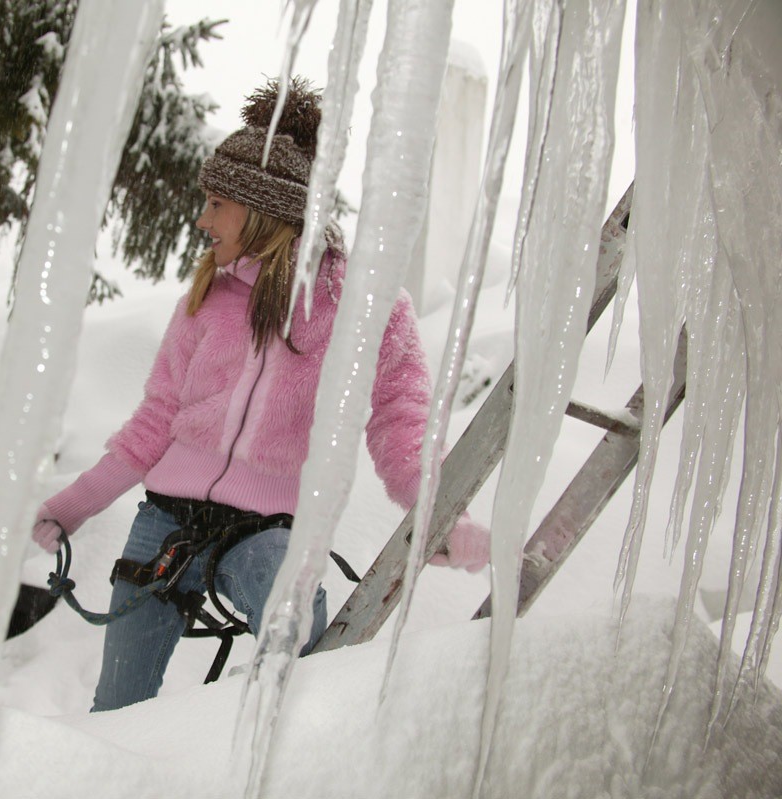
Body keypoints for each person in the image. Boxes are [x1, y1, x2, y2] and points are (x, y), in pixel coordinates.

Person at [30, 80, 490, 713]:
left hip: (268, 533)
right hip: (164, 525)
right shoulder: (205, 299)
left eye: (217, 203)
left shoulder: (364, 305)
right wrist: (72, 505)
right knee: (117, 708)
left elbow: (399, 419)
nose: (202, 220)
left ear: (263, 210)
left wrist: (441, 512)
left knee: (297, 664)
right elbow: (156, 418)